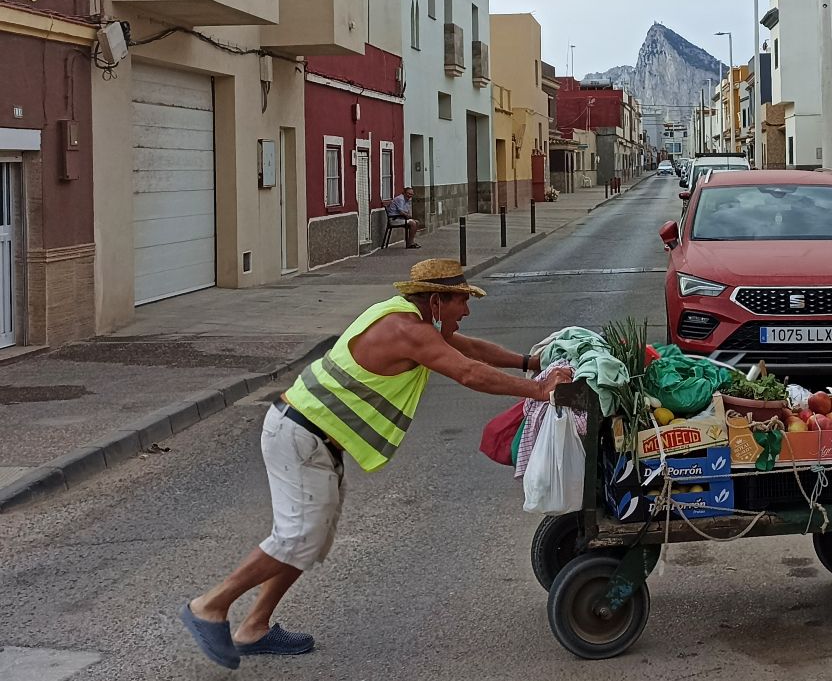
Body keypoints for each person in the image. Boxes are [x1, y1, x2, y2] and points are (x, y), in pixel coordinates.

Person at [179, 259, 572, 669]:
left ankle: (254, 627)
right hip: (300, 435)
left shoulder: (412, 320)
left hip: (312, 438)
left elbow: (470, 349)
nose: (466, 310)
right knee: (297, 538)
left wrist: (531, 363)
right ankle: (209, 606)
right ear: (436, 301)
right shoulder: (408, 331)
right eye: (461, 301)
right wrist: (540, 391)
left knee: (309, 539)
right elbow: (470, 373)